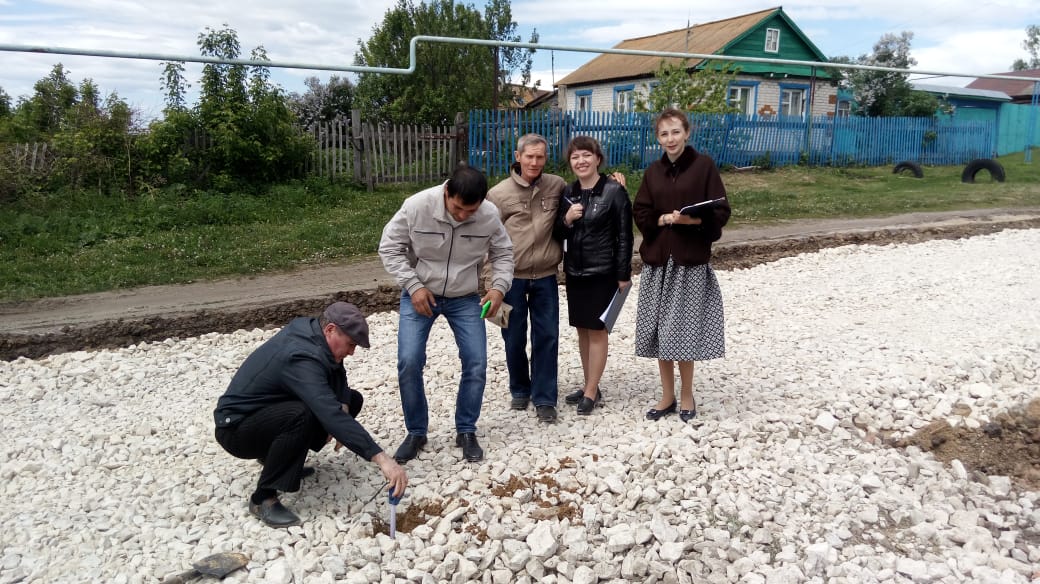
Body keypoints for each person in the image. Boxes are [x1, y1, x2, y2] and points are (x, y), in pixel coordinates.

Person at [213, 301, 408, 528]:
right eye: (351, 344)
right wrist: (382, 459)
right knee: (301, 415)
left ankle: (278, 459)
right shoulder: (301, 356)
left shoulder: (315, 333)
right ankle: (262, 498)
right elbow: (328, 412)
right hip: (237, 429)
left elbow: (338, 374)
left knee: (351, 399)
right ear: (331, 329)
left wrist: (343, 404)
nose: (352, 352)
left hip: (265, 413)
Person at [379, 166, 514, 463]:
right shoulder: (417, 206)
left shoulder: (489, 214)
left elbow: (503, 253)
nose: (463, 216)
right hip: (420, 295)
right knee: (409, 361)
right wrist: (413, 286)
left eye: (471, 211)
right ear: (446, 192)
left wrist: (498, 289)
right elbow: (389, 248)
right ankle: (416, 432)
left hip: (464, 297)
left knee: (476, 362)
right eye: (457, 208)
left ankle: (466, 430)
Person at [633, 107, 731, 423]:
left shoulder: (704, 167)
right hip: (659, 262)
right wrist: (662, 218)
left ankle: (687, 393)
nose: (670, 138)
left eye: (675, 131)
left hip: (689, 263)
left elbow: (720, 211)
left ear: (687, 133)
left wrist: (691, 220)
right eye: (664, 133)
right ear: (657, 138)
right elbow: (642, 212)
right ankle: (667, 395)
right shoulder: (652, 172)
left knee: (685, 331)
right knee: (661, 330)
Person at [486, 133, 567, 423]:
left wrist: (614, 183)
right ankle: (520, 389)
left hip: (545, 276)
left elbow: (587, 192)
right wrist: (489, 283)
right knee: (513, 337)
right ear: (518, 156)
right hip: (511, 279)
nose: (534, 162)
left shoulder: (556, 186)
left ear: (546, 158)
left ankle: (545, 397)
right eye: (529, 156)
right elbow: (487, 241)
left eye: (540, 157)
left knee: (547, 336)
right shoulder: (498, 194)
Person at [553, 136, 633, 416]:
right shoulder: (568, 192)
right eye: (575, 157)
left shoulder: (614, 191)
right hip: (575, 272)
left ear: (598, 158)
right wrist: (567, 220)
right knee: (582, 331)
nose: (581, 161)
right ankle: (591, 384)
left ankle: (591, 391)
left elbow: (625, 236)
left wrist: (623, 273)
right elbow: (556, 233)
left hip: (603, 272)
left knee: (598, 331)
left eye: (586, 155)